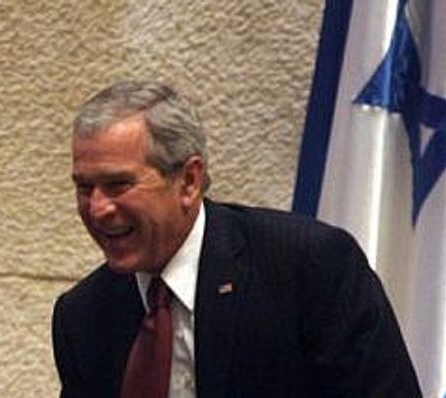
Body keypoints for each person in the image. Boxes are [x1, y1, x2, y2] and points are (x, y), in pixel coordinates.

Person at [51, 81, 421, 397]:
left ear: (189, 181)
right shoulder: (84, 317)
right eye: (85, 188)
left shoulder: (309, 267)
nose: (97, 208)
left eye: (119, 185)